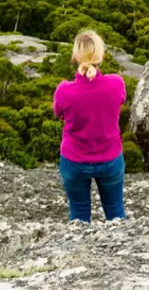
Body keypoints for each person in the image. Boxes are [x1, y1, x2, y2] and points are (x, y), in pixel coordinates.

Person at [53, 28, 127, 222]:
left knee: (78, 214)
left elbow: (58, 113)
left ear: (75, 56)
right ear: (100, 55)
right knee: (116, 213)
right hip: (110, 158)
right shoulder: (116, 84)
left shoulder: (64, 91)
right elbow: (119, 101)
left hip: (74, 160)